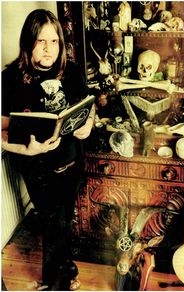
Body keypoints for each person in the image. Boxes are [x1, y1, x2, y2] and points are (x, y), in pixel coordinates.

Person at [1, 9, 95, 291]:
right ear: (28, 43)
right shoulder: (9, 80)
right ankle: (57, 284)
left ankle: (64, 271)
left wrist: (88, 124)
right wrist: (24, 150)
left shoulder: (73, 71)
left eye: (54, 41)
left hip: (71, 163)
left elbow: (88, 109)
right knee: (55, 224)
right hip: (37, 171)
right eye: (41, 41)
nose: (48, 48)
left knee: (60, 223)